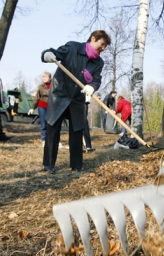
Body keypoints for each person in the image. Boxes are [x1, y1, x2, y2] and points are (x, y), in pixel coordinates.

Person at [41, 30, 111, 174]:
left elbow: (97, 79)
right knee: (52, 129)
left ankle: (76, 165)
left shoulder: (98, 62)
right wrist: (47, 54)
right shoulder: (73, 47)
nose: (103, 49)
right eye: (102, 44)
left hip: (77, 99)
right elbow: (54, 53)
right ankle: (49, 165)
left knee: (77, 131)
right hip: (60, 95)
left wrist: (92, 86)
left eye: (105, 47)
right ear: (93, 38)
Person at [28, 72, 52, 147]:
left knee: (51, 124)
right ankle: (44, 140)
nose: (44, 78)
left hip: (51, 107)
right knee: (43, 124)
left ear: (50, 78)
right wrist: (32, 108)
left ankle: (52, 140)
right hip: (42, 106)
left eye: (46, 77)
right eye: (43, 77)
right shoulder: (40, 87)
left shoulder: (54, 86)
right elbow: (37, 97)